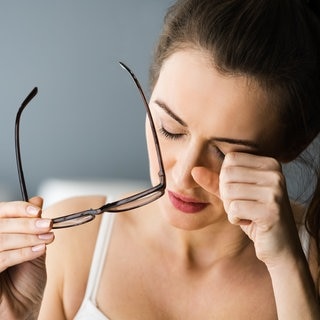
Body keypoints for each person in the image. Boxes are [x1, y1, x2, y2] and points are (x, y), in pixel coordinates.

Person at [1, 0, 320, 318]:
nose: (182, 177)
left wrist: (286, 266)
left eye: (225, 154)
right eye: (170, 130)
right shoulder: (68, 245)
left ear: (293, 144)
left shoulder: (309, 265)